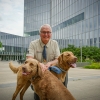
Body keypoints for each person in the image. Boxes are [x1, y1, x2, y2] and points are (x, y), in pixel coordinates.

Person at [26, 24, 68, 100]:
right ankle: (36, 90)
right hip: (38, 70)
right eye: (43, 32)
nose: (46, 34)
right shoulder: (33, 44)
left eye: (48, 32)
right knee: (39, 94)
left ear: (51, 34)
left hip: (51, 69)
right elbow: (29, 58)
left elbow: (57, 59)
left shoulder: (55, 43)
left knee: (64, 71)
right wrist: (39, 64)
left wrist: (50, 63)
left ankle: (63, 92)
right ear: (40, 33)